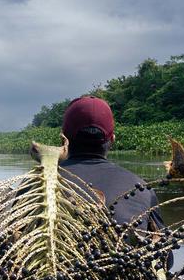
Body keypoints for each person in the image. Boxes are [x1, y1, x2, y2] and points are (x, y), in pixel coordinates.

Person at [59, 95, 166, 234]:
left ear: (63, 139)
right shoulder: (142, 189)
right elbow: (162, 245)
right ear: (112, 139)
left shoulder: (36, 185)